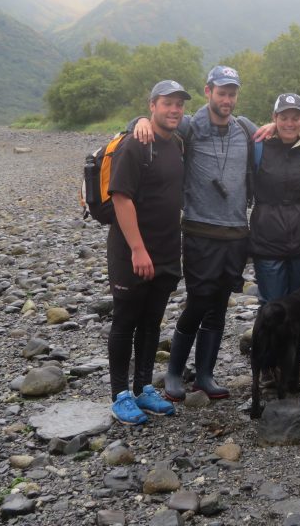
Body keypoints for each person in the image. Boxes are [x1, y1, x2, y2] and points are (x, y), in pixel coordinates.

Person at [132, 65, 257, 401]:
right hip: (201, 232)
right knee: (198, 301)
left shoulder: (244, 128)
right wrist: (139, 122)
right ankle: (174, 372)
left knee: (219, 305)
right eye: (221, 93)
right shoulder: (189, 126)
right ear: (208, 92)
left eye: (232, 93)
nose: (227, 99)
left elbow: (277, 138)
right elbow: (155, 123)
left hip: (236, 234)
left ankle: (205, 375)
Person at [106, 79, 190, 424]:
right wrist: (138, 249)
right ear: (152, 105)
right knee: (126, 321)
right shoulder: (134, 145)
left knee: (152, 322)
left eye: (179, 105)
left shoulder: (177, 144)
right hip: (132, 251)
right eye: (167, 103)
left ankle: (142, 387)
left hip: (168, 249)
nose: (173, 110)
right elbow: (121, 197)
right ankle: (119, 394)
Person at [250, 92, 300, 304]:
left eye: (295, 118)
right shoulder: (258, 146)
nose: (289, 123)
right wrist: (143, 119)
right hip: (268, 241)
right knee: (272, 308)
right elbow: (234, 122)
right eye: (283, 118)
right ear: (274, 117)